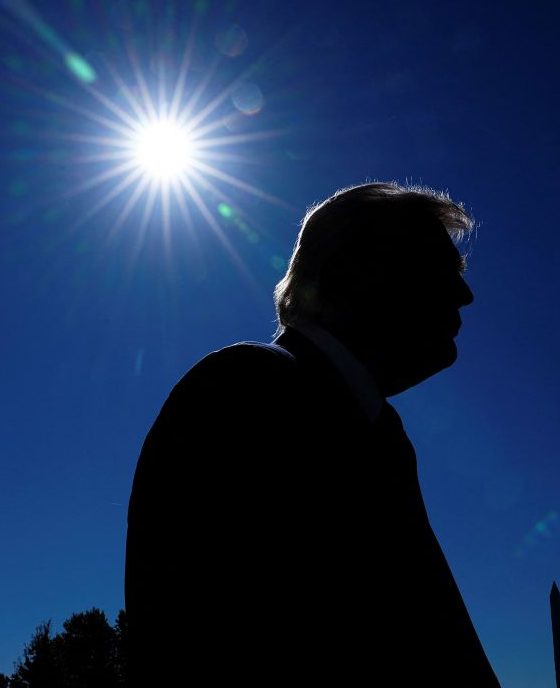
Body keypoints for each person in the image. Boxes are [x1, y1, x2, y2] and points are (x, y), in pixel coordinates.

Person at [125, 182, 499, 686]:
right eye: (440, 268)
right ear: (361, 272)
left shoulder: (379, 431)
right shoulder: (248, 391)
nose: (465, 295)